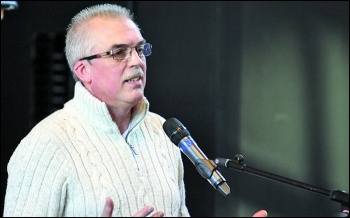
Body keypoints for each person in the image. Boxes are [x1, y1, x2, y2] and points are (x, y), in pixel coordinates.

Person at [3, 3, 267, 217]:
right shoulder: (46, 144)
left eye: (140, 50)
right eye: (118, 53)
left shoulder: (164, 132)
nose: (136, 62)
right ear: (83, 71)